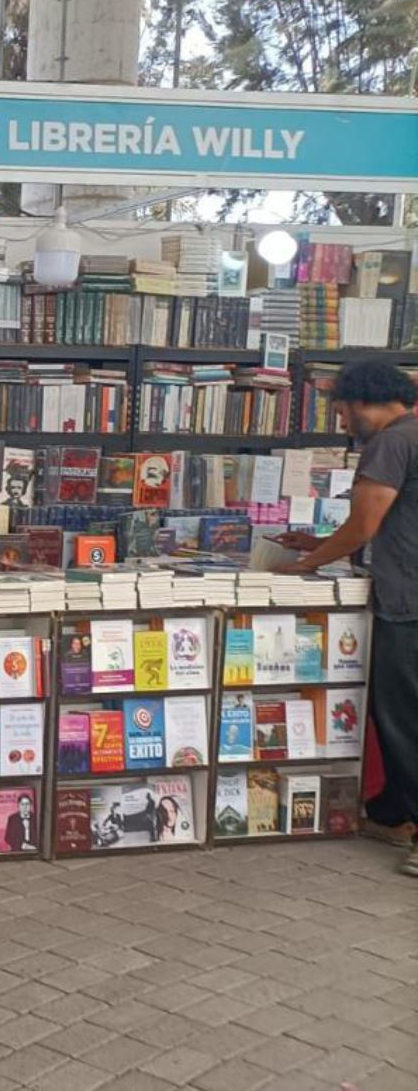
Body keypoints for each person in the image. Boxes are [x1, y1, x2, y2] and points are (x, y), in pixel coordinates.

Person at [273, 359, 418, 877]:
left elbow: (364, 522)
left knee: (403, 719)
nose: (339, 423)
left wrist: (307, 563)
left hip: (407, 602)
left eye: (339, 410)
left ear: (361, 401)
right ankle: (391, 813)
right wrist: (317, 543)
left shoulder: (392, 443)